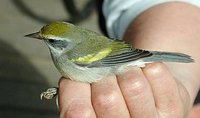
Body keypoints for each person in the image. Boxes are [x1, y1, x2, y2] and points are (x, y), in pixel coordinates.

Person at [58, 1, 200, 117]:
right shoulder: (74, 45)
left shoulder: (70, 55)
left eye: (51, 41)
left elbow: (109, 59)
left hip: (116, 59)